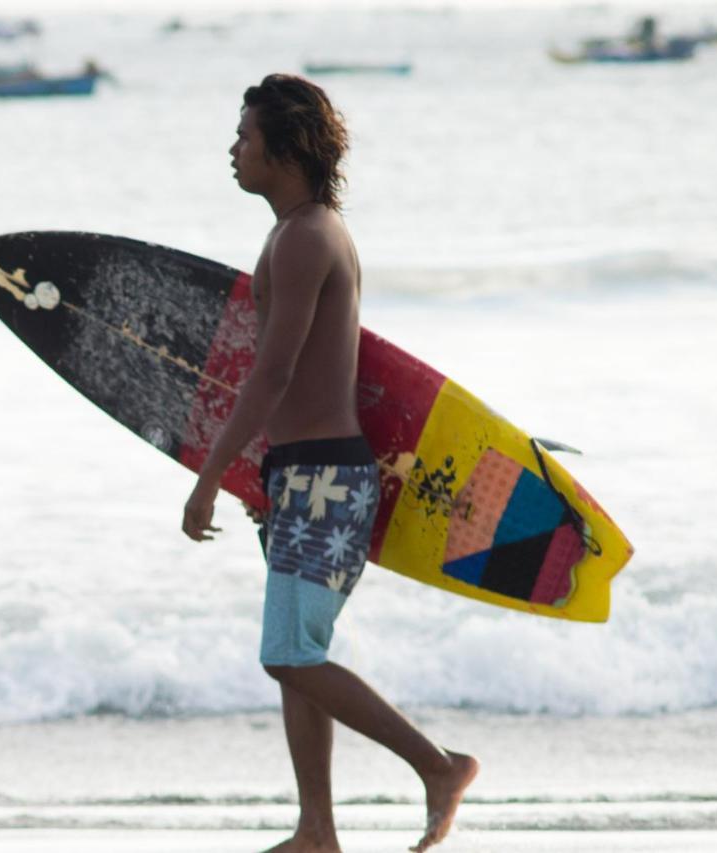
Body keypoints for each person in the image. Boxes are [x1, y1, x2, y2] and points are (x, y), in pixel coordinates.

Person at [181, 74, 479, 853]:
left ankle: (438, 765)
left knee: (287, 652)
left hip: (324, 479)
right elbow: (291, 381)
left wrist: (211, 477)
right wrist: (265, 476)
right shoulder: (298, 232)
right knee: (296, 657)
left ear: (284, 148)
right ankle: (317, 828)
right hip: (300, 477)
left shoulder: (309, 236)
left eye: (245, 135)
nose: (233, 149)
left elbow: (273, 373)